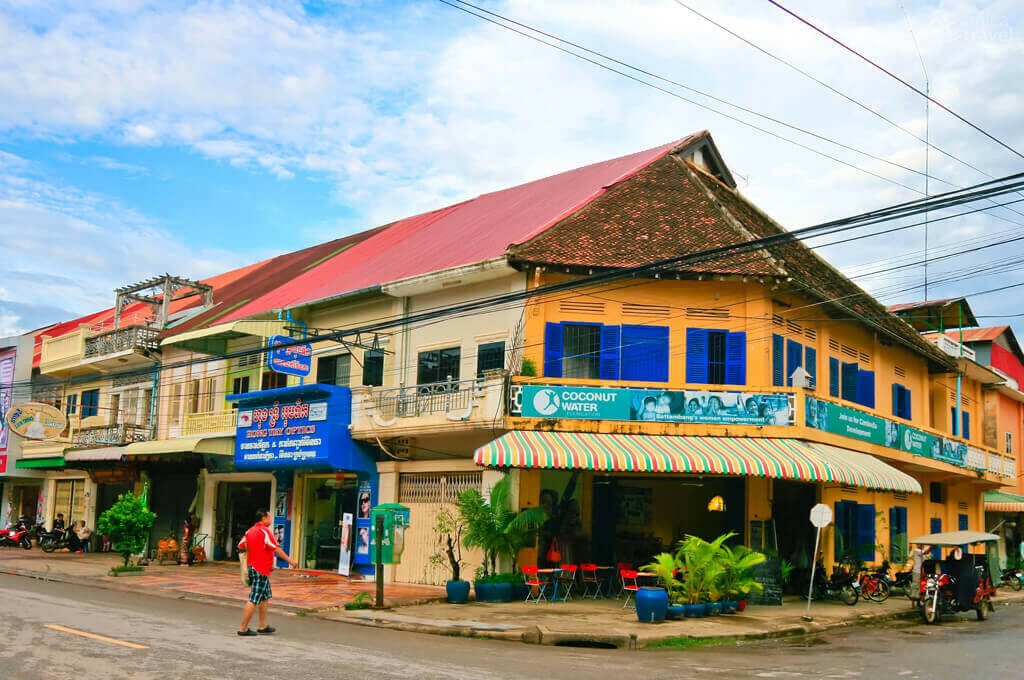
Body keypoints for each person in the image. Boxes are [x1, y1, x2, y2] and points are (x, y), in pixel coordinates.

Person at [237, 509, 297, 637]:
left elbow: (241, 545)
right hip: (260, 569)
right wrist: (290, 561)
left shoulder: (249, 531)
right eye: (269, 517)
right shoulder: (265, 531)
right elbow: (275, 548)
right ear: (263, 519)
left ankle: (262, 625)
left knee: (265, 596)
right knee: (254, 598)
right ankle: (243, 628)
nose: (271, 519)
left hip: (254, 568)